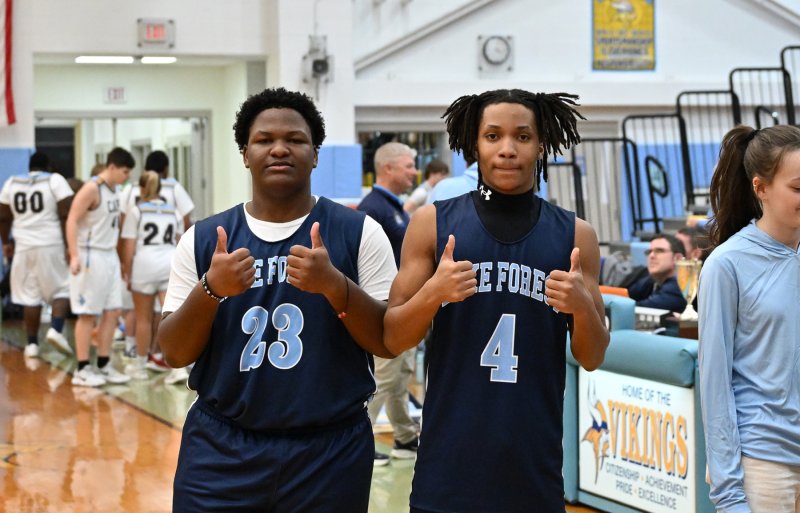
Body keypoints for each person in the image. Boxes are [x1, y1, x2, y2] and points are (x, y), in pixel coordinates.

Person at [156, 87, 397, 512]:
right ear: (245, 153)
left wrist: (334, 285)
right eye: (264, 140)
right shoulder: (204, 239)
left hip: (330, 450)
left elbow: (386, 340)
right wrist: (211, 290)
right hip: (222, 447)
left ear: (316, 153)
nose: (280, 149)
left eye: (296, 139)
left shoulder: (360, 232)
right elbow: (173, 351)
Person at [384, 89, 609, 513]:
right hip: (447, 466)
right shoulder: (432, 223)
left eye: (522, 137)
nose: (507, 149)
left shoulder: (576, 236)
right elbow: (392, 339)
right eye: (493, 136)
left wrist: (581, 307)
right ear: (474, 143)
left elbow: (593, 355)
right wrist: (433, 293)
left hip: (532, 466)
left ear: (541, 145)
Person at [698, 124, 800, 513]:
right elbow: (714, 382)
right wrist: (728, 492)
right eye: (798, 188)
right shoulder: (727, 265)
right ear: (760, 188)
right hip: (763, 467)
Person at [357, 141, 421, 466]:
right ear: (389, 168)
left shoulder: (395, 209)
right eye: (409, 165)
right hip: (386, 311)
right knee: (384, 376)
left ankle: (405, 437)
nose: (414, 172)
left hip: (405, 308)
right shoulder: (375, 208)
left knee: (400, 374)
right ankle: (358, 442)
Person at [66, 148, 134, 387]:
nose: (127, 176)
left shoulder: (115, 190)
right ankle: (82, 368)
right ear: (112, 167)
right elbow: (72, 219)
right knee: (87, 313)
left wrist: (122, 262)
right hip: (90, 256)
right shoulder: (91, 188)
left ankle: (104, 364)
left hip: (109, 257)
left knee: (113, 311)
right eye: (125, 171)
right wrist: (74, 254)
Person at [0, 151, 74, 357]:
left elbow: (3, 216)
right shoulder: (54, 180)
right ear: (48, 166)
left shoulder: (12, 182)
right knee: (62, 290)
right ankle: (56, 329)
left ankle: (32, 344)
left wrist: (5, 242)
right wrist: (70, 245)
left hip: (23, 246)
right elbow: (67, 212)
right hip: (51, 243)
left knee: (29, 297)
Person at [120, 171, 183, 380]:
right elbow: (180, 240)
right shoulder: (173, 211)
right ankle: (178, 368)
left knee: (144, 318)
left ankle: (139, 366)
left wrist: (126, 272)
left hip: (144, 265)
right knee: (171, 316)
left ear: (141, 188)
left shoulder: (136, 211)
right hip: (169, 262)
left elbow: (128, 247)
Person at [626, 234, 687, 312]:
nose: (651, 256)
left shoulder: (678, 287)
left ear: (678, 258)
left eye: (659, 251)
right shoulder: (650, 280)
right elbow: (625, 295)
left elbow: (635, 309)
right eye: (649, 252)